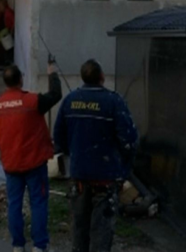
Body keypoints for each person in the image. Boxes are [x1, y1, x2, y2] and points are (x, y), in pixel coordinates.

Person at [54, 59, 138, 252]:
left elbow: (58, 138)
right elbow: (129, 140)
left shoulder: (70, 100)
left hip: (78, 177)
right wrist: (124, 169)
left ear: (83, 77)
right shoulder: (113, 101)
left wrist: (73, 155)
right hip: (106, 178)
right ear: (102, 77)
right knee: (101, 232)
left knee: (79, 230)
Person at [0, 63, 63, 252]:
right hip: (34, 162)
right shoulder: (32, 102)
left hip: (11, 164)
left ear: (5, 82)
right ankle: (39, 246)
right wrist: (52, 73)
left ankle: (18, 245)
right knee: (38, 203)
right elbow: (55, 95)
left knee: (14, 205)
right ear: (21, 80)